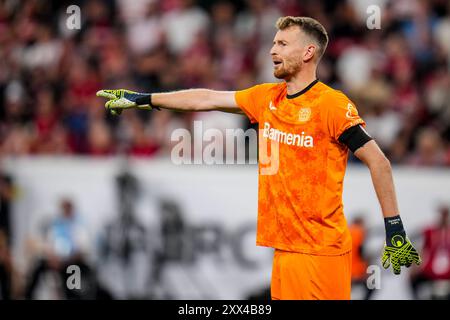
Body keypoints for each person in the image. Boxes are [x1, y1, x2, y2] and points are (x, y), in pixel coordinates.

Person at [96, 16, 421, 300]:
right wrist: (145, 99)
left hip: (320, 253)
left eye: (282, 43)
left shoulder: (331, 105)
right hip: (284, 251)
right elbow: (206, 98)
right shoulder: (267, 98)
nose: (272, 50)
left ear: (308, 52)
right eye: (272, 42)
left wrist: (394, 228)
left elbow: (379, 161)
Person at [410, 206, 450, 299]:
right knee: (414, 281)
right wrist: (415, 266)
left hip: (448, 273)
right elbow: (420, 248)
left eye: (446, 215)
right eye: (442, 215)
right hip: (429, 271)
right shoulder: (430, 231)